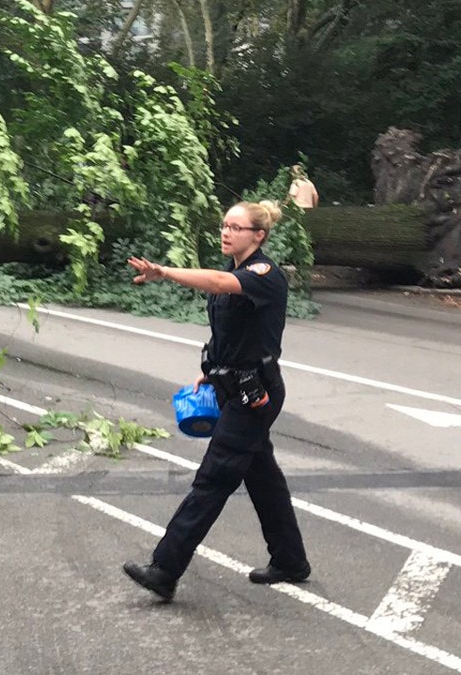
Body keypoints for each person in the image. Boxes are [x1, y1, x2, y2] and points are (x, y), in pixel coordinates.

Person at [122, 200, 311, 602]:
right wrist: (209, 370)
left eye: (236, 227)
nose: (226, 232)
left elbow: (217, 286)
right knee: (262, 478)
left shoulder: (264, 274)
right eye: (224, 225)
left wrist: (165, 272)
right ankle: (291, 560)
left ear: (258, 235)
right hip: (233, 388)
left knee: (213, 478)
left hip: (255, 395)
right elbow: (231, 331)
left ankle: (165, 569)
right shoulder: (234, 272)